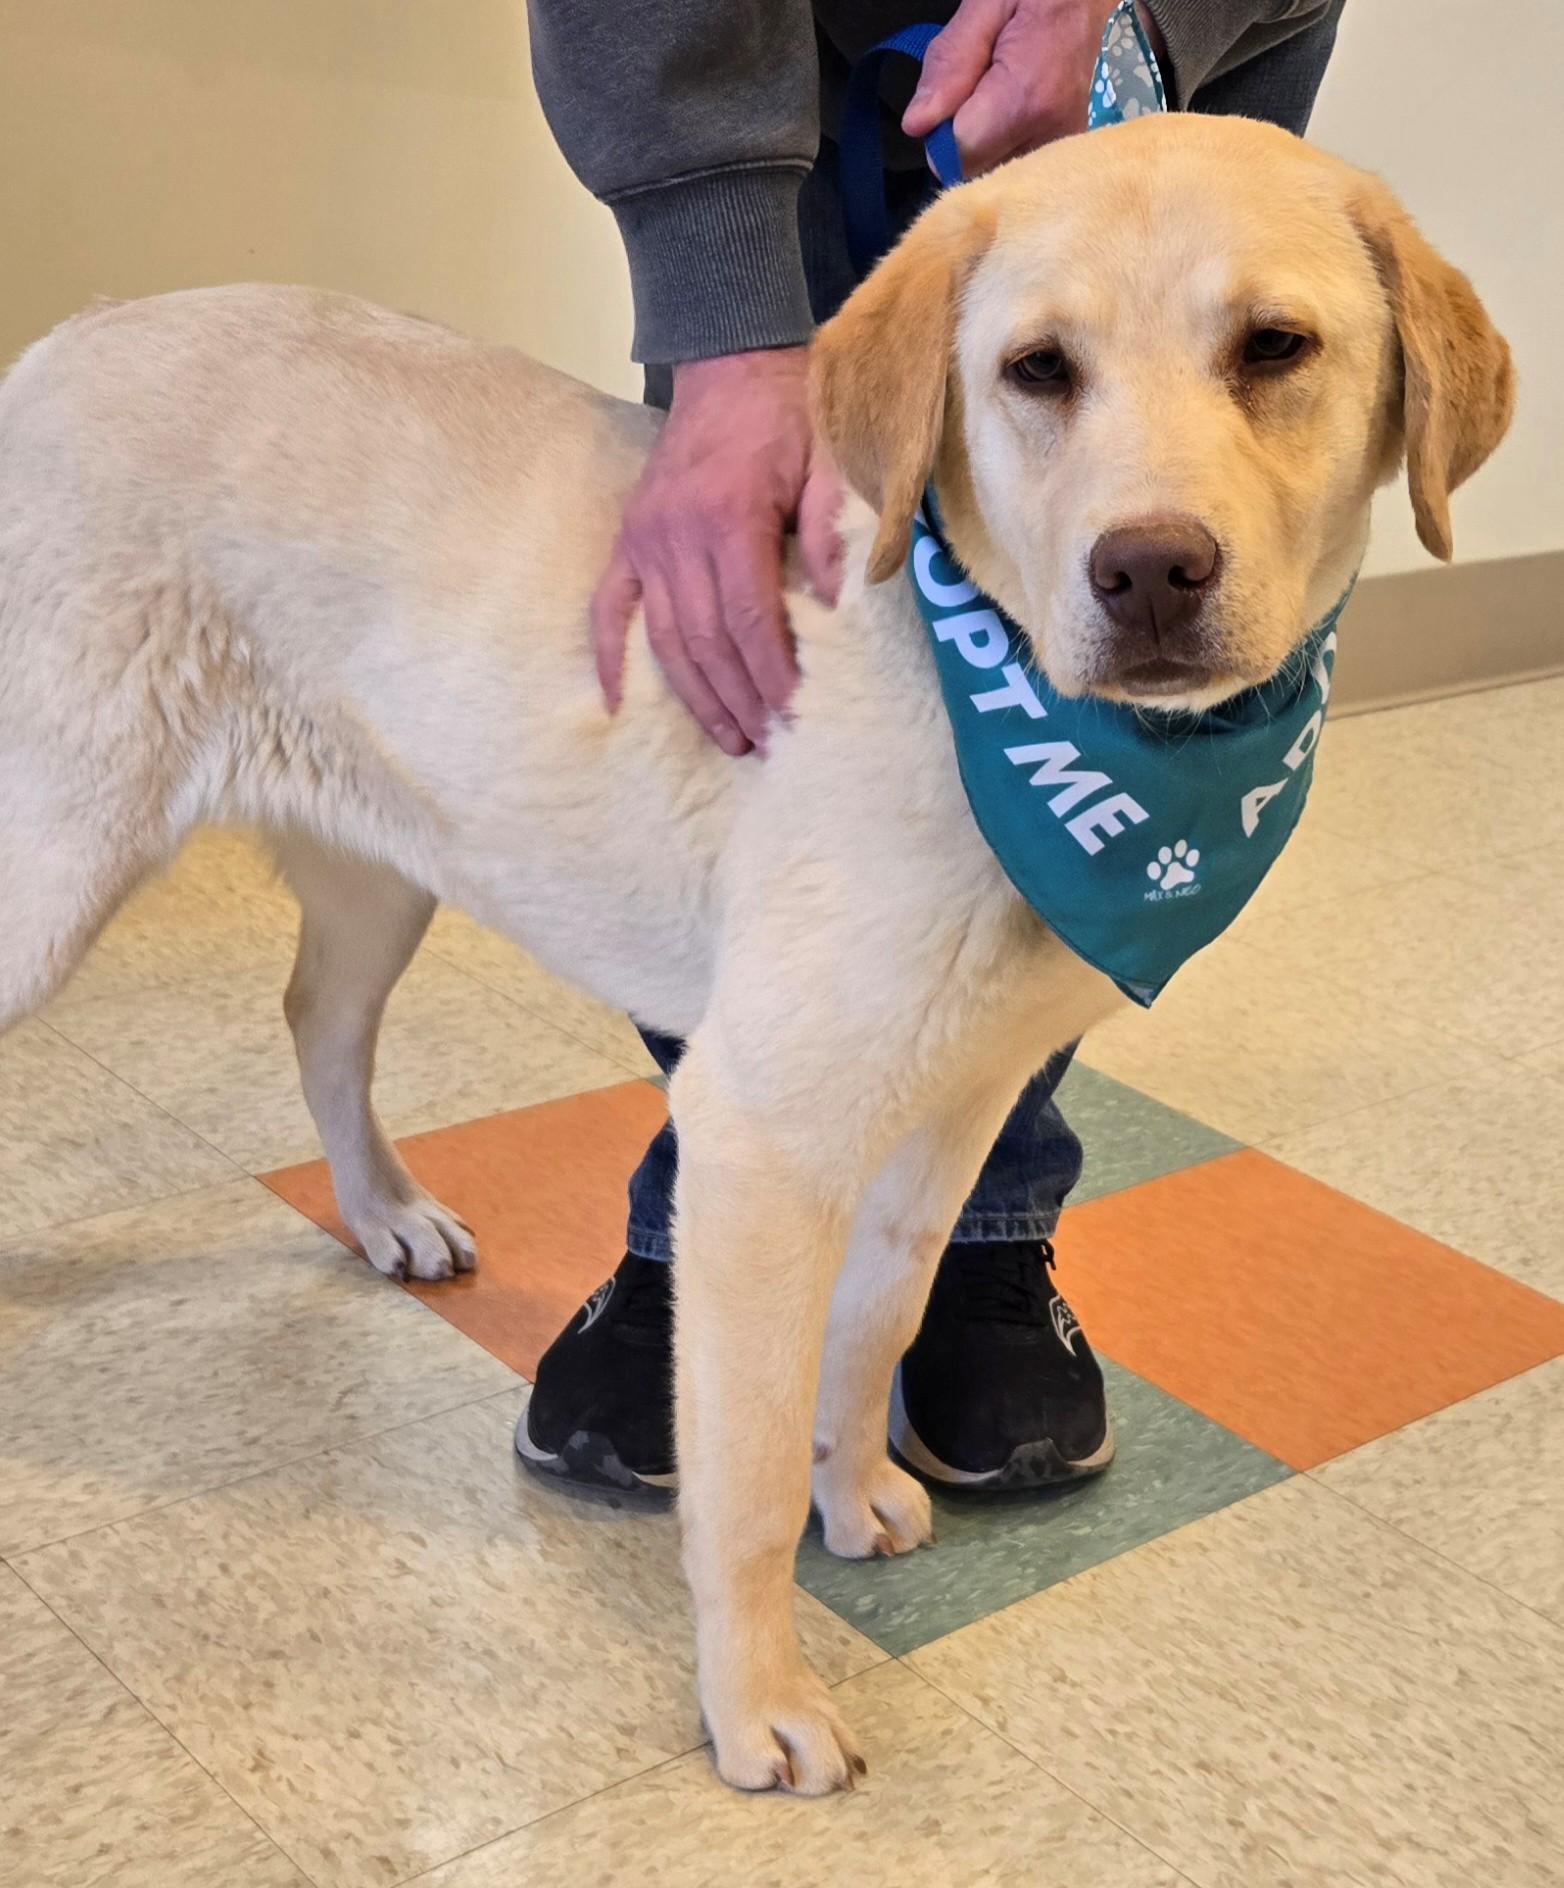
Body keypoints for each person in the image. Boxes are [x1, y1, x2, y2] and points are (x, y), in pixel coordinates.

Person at [518, 0, 1346, 1493]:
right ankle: (701, 1208)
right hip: (762, 58)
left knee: (1104, 719)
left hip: (1170, 39)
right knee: (756, 696)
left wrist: (1145, 13)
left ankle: (985, 1227)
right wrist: (723, 324)